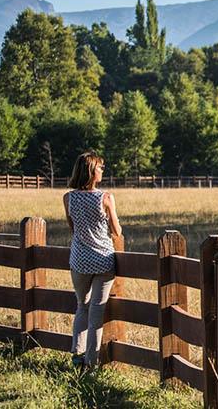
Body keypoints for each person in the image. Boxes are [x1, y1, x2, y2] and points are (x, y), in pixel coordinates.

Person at [63, 151, 122, 370]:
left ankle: (77, 356)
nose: (102, 171)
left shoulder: (68, 198)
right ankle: (91, 362)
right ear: (91, 170)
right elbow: (116, 231)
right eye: (100, 167)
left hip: (79, 260)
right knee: (96, 313)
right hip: (103, 261)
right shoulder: (106, 198)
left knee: (81, 306)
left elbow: (73, 229)